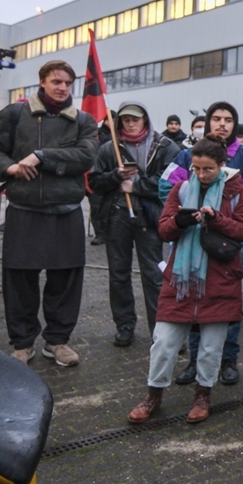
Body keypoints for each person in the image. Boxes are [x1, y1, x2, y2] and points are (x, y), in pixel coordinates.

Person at [127, 134, 243, 425]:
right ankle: (153, 395)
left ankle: (202, 395)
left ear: (222, 165)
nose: (201, 174)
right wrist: (179, 222)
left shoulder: (236, 191)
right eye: (196, 168)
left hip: (219, 278)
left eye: (207, 168)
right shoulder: (181, 190)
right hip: (180, 281)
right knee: (163, 342)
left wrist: (216, 219)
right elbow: (164, 229)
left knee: (211, 347)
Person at [0, 60, 98, 366]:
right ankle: (23, 344)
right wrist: (8, 167)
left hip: (66, 211)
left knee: (65, 281)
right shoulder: (15, 114)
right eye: (56, 81)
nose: (62, 87)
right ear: (42, 82)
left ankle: (57, 341)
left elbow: (85, 156)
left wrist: (41, 156)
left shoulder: (83, 120)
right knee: (19, 281)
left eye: (67, 83)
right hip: (24, 211)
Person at [160, 101, 243, 386]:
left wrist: (234, 227)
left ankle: (228, 359)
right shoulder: (187, 156)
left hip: (228, 246)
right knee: (193, 301)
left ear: (235, 124)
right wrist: (183, 214)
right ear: (208, 122)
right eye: (217, 119)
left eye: (229, 119)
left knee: (226, 305)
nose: (222, 124)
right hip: (189, 245)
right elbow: (165, 186)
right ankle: (195, 360)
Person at [90, 102, 179, 347]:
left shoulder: (165, 146)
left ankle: (160, 330)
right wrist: (115, 177)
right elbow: (95, 182)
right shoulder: (109, 149)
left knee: (154, 276)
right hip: (117, 217)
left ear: (146, 120)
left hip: (149, 219)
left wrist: (137, 185)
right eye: (126, 120)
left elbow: (172, 184)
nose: (131, 123)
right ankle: (125, 325)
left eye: (135, 119)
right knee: (118, 275)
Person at [88, 110, 117, 246]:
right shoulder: (97, 135)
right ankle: (99, 233)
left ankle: (110, 233)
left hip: (114, 176)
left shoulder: (120, 136)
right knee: (96, 206)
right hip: (98, 174)